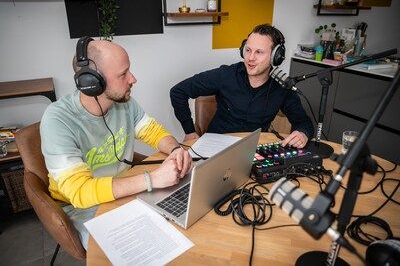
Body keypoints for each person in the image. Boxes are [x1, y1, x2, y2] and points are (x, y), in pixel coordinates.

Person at [40, 37, 192, 249]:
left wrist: (175, 149)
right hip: (82, 207)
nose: (133, 79)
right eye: (123, 74)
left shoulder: (123, 102)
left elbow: (152, 131)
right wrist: (153, 180)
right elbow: (80, 192)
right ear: (91, 82)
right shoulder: (57, 120)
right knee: (144, 248)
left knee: (180, 227)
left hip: (127, 189)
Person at [170, 24, 313, 148]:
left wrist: (302, 134)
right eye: (248, 50)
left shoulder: (281, 86)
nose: (250, 58)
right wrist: (189, 131)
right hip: (215, 148)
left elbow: (303, 122)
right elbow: (178, 92)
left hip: (253, 149)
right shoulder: (225, 75)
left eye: (259, 52)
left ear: (276, 56)